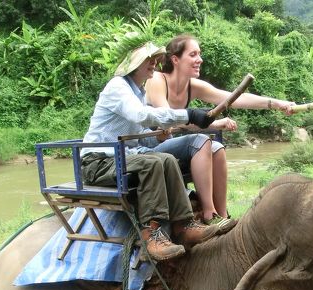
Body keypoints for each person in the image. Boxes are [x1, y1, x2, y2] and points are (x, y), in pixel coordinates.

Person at [79, 41, 230, 262]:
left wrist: (157, 136)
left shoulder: (137, 92)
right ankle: (153, 234)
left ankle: (184, 224)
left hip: (123, 156)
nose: (154, 63)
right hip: (98, 161)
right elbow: (142, 116)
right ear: (133, 63)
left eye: (154, 59)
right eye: (148, 59)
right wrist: (187, 115)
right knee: (152, 163)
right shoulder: (117, 87)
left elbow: (140, 132)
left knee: (167, 159)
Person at [145, 34, 296, 225]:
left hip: (173, 146)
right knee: (201, 140)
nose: (199, 59)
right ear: (175, 59)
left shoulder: (193, 86)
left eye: (199, 54)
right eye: (193, 54)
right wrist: (214, 123)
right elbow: (167, 119)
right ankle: (210, 214)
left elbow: (233, 98)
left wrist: (278, 104)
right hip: (150, 146)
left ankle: (223, 215)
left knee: (216, 148)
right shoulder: (157, 79)